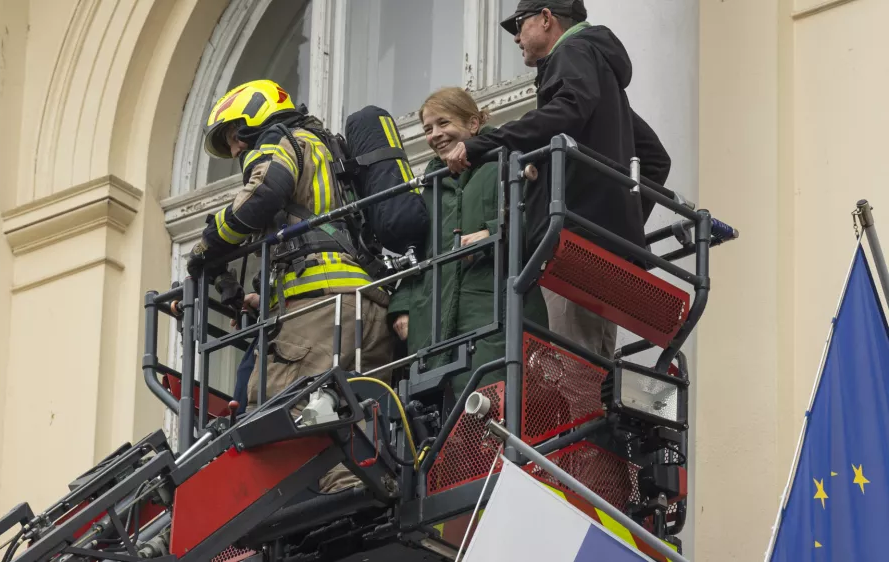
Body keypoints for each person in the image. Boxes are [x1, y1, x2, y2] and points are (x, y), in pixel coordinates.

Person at [186, 79, 395, 492]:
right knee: (353, 421)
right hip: (368, 306)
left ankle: (338, 498)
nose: (236, 150)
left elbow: (263, 194)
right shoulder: (328, 151)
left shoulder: (278, 141)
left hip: (319, 310)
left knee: (277, 412)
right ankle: (364, 493)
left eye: (234, 136)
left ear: (253, 120)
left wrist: (206, 245)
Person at [442, 0, 671, 359]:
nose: (516, 38)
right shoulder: (599, 71)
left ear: (546, 18)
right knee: (595, 365)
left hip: (572, 246)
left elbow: (566, 111)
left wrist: (483, 144)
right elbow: (654, 158)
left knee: (571, 368)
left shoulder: (572, 51)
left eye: (519, 24)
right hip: (599, 249)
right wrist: (618, 225)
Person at [388, 87, 549, 398]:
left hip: (495, 314)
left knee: (494, 406)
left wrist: (493, 233)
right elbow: (419, 253)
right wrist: (402, 306)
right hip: (437, 333)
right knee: (444, 419)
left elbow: (537, 220)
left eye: (443, 123)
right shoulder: (430, 188)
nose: (435, 135)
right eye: (427, 129)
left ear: (473, 124)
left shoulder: (507, 160)